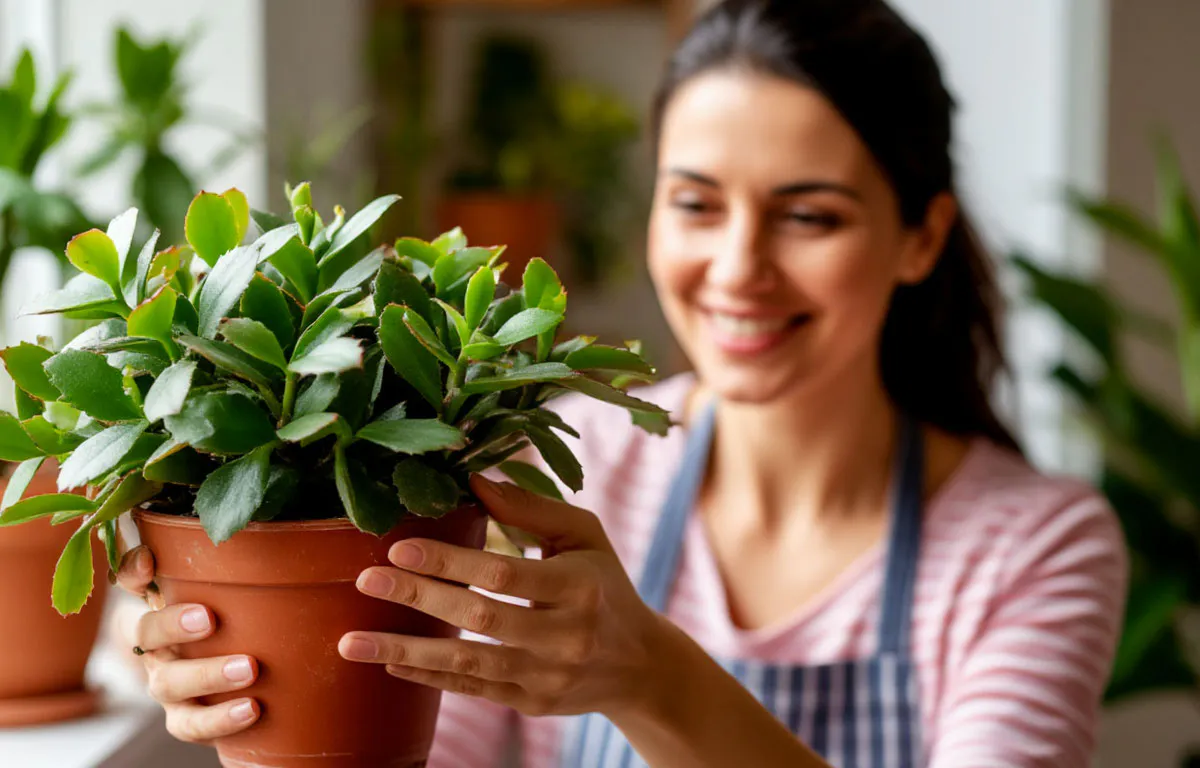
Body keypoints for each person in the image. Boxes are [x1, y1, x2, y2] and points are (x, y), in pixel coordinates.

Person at [115, 0, 1129, 765]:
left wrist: (655, 680)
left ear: (923, 237)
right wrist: (255, 669)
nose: (738, 267)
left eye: (808, 215)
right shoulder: (566, 465)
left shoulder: (1034, 547)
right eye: (695, 204)